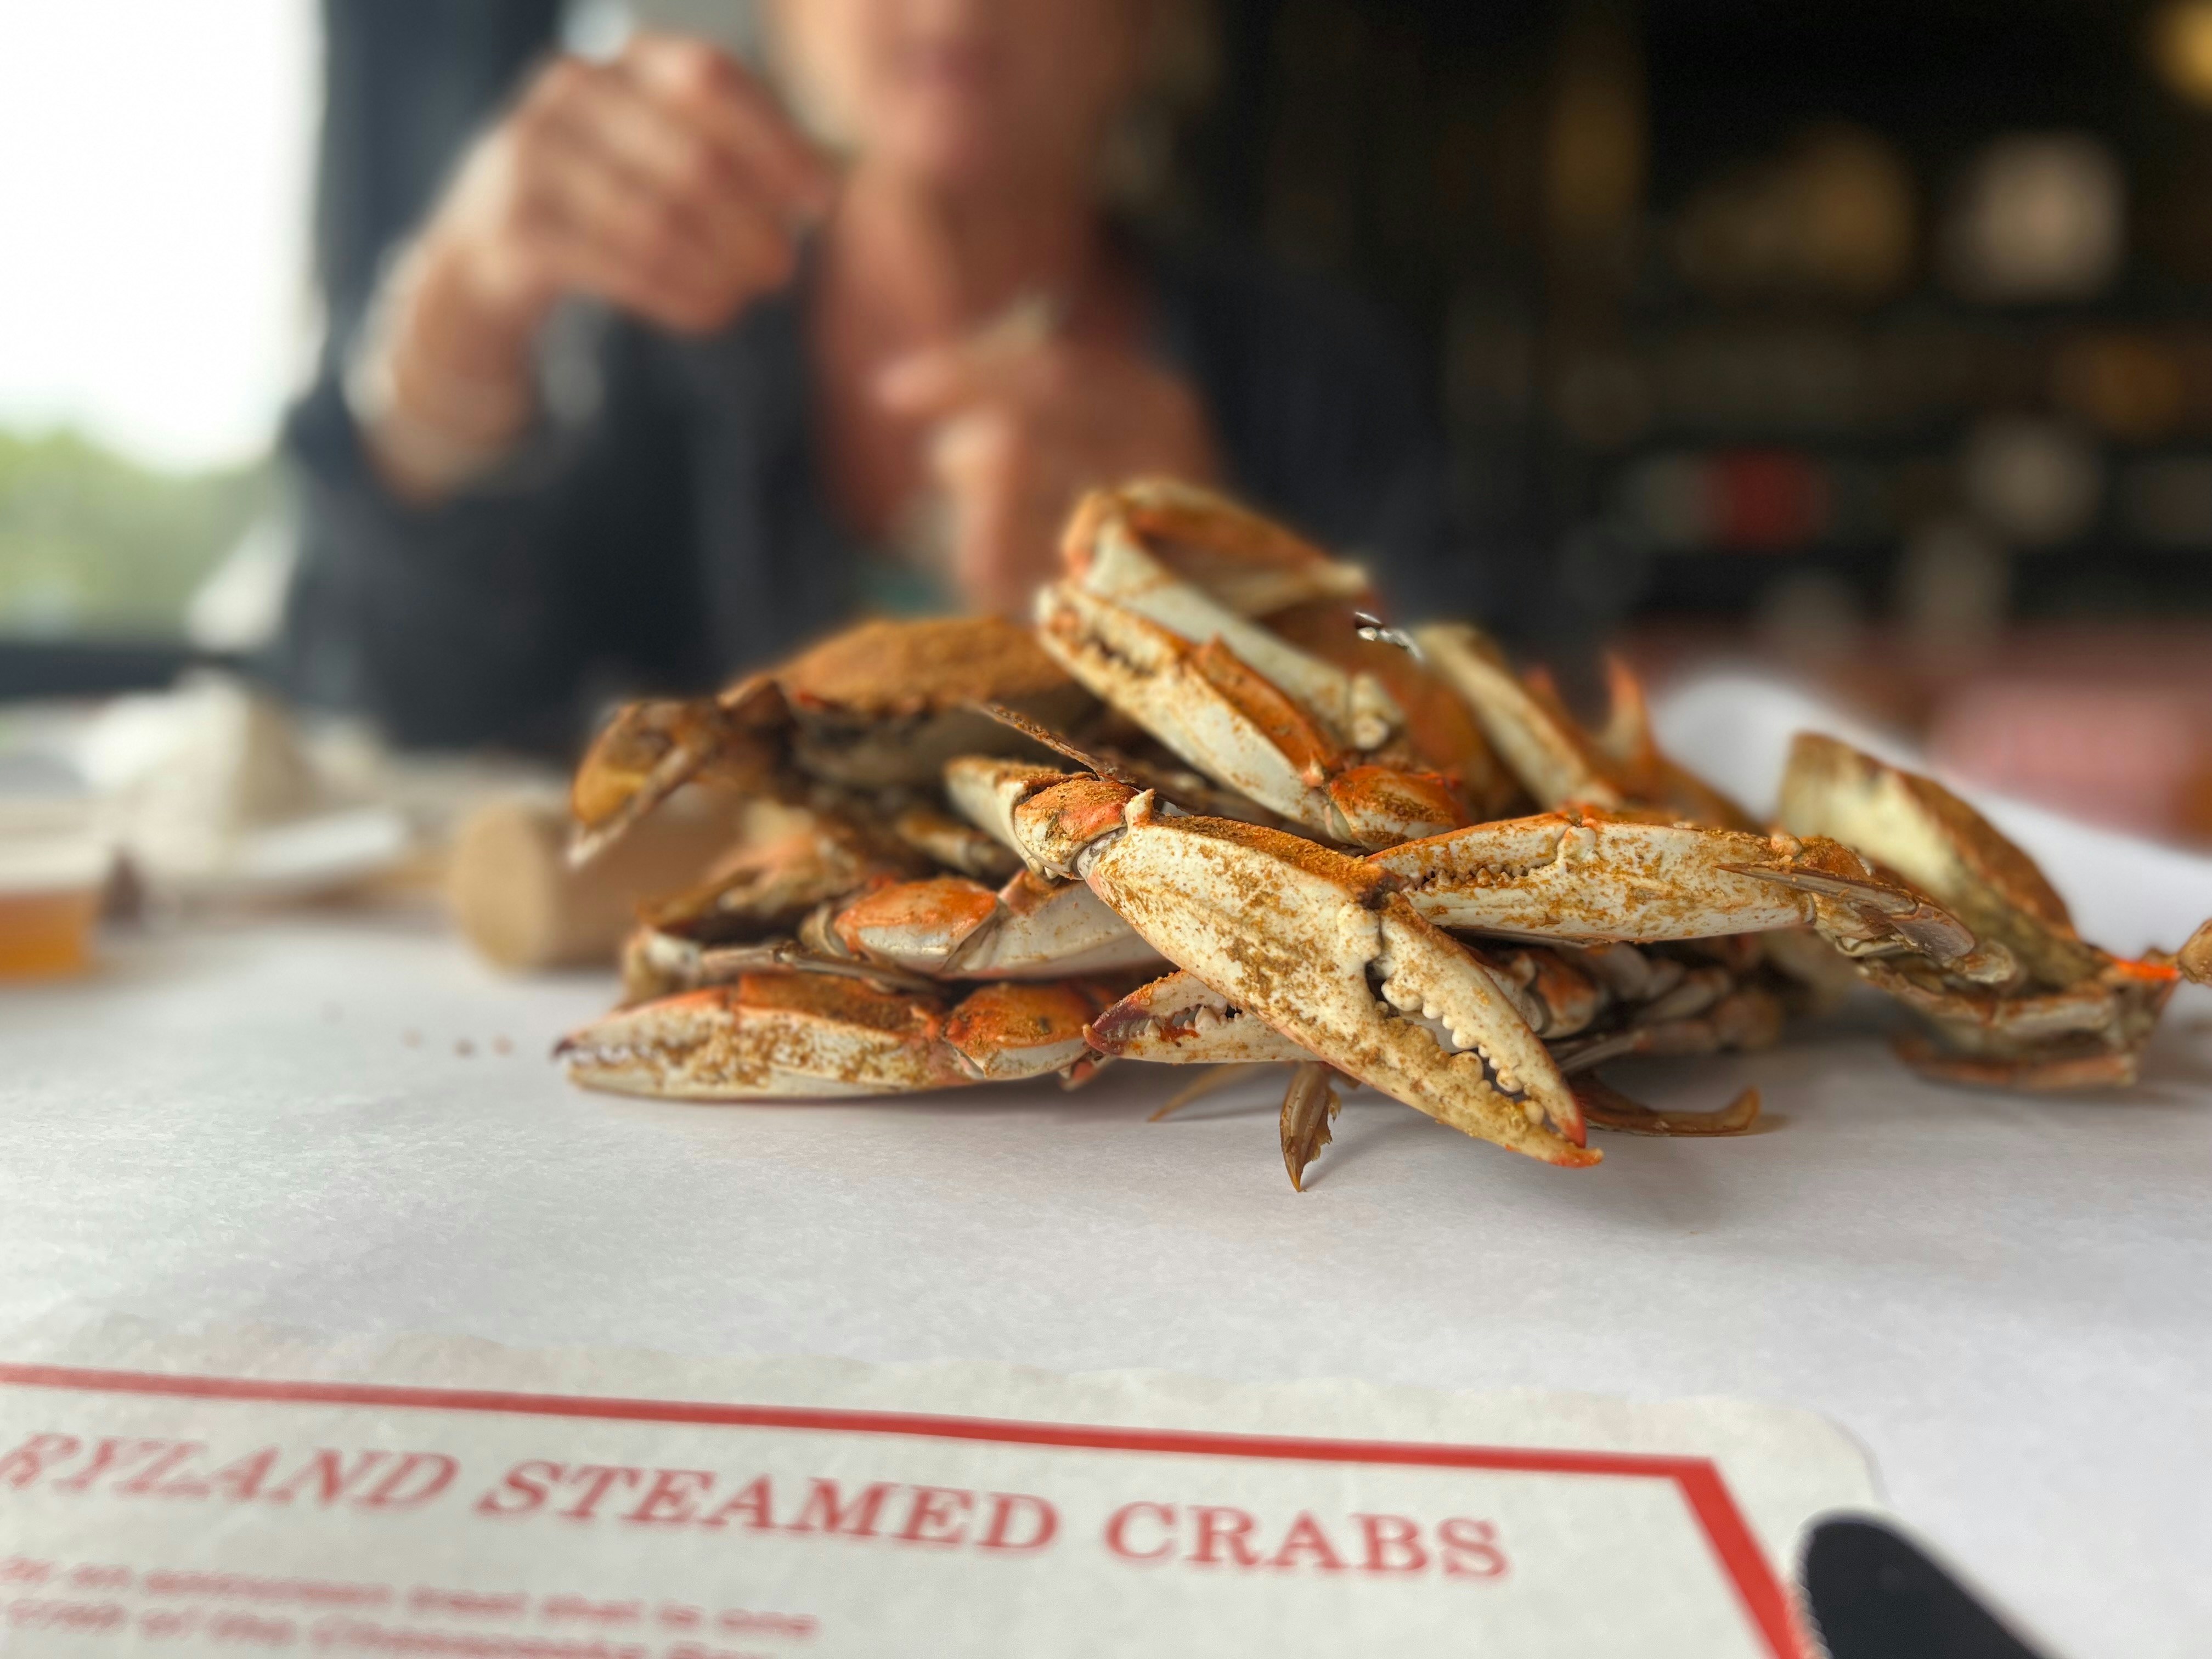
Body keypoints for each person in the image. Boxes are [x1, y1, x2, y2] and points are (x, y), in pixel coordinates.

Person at [280, 0, 1454, 752]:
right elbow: (389, 694)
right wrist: (451, 326)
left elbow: (1477, 688)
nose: (954, 8)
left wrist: (1259, 599)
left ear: (1145, 26)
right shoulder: (652, 351)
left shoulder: (1311, 373)